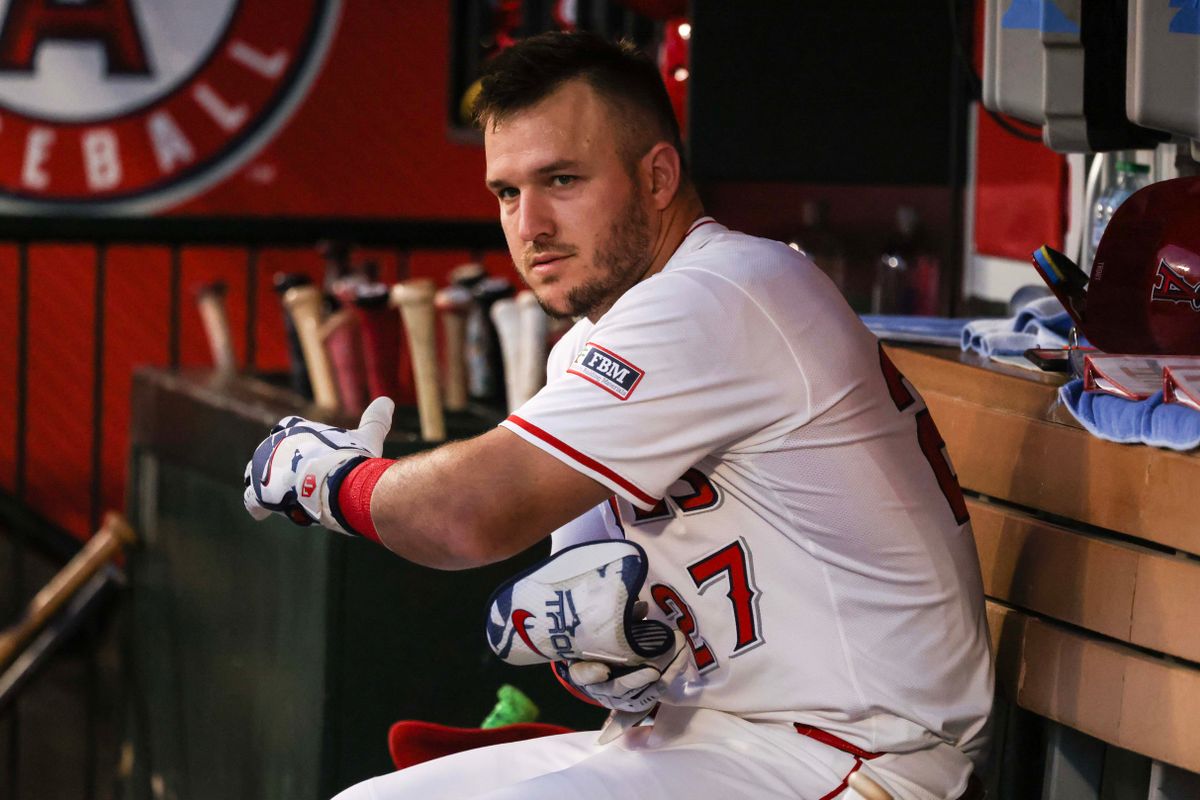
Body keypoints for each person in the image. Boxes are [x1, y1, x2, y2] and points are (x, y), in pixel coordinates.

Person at [243, 31, 993, 800]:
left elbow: (469, 516)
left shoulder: (722, 290)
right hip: (701, 736)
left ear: (658, 176)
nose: (529, 225)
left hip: (856, 753)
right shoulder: (585, 346)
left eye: (561, 180)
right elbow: (595, 605)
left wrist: (335, 481)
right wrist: (619, 650)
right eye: (507, 193)